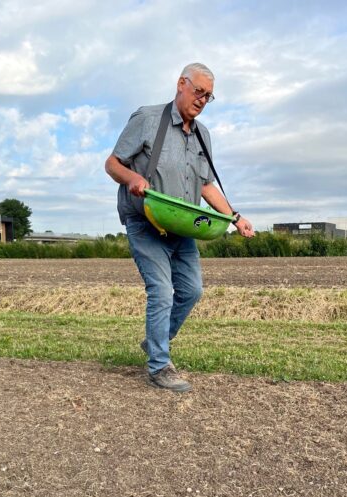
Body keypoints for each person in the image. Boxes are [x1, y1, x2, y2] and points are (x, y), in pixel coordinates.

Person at [105, 62, 254, 392]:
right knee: (162, 291)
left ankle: (156, 340)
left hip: (183, 227)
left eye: (209, 96)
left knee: (192, 290)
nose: (202, 100)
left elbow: (205, 186)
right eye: (199, 91)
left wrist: (235, 217)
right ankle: (160, 366)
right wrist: (132, 178)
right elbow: (112, 163)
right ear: (181, 84)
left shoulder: (203, 136)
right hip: (146, 222)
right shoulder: (147, 119)